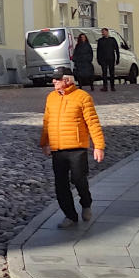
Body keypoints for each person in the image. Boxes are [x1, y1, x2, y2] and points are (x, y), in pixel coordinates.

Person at [40, 73, 106, 227]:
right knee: (60, 184)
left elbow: (93, 122)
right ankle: (70, 215)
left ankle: (86, 203)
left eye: (57, 79)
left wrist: (99, 146)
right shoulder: (51, 97)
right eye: (54, 79)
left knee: (78, 178)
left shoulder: (82, 97)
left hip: (77, 147)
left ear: (67, 80)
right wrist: (44, 143)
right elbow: (47, 121)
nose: (53, 81)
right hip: (57, 148)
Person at [96, 27, 120, 92]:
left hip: (111, 58)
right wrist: (98, 59)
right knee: (104, 73)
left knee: (112, 73)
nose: (103, 33)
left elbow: (117, 50)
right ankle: (105, 86)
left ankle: (112, 86)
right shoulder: (100, 40)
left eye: (104, 32)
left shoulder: (112, 40)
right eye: (102, 32)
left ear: (107, 32)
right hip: (103, 59)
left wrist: (118, 58)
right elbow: (98, 51)